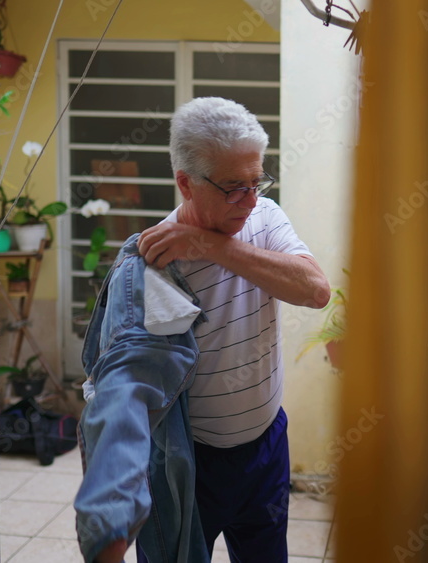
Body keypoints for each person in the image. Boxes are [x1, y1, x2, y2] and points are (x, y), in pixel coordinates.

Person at [132, 97, 330, 561]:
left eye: (256, 180)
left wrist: (213, 246)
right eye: (233, 187)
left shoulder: (264, 216)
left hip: (266, 443)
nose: (251, 198)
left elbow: (316, 289)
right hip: (191, 462)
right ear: (186, 183)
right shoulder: (155, 262)